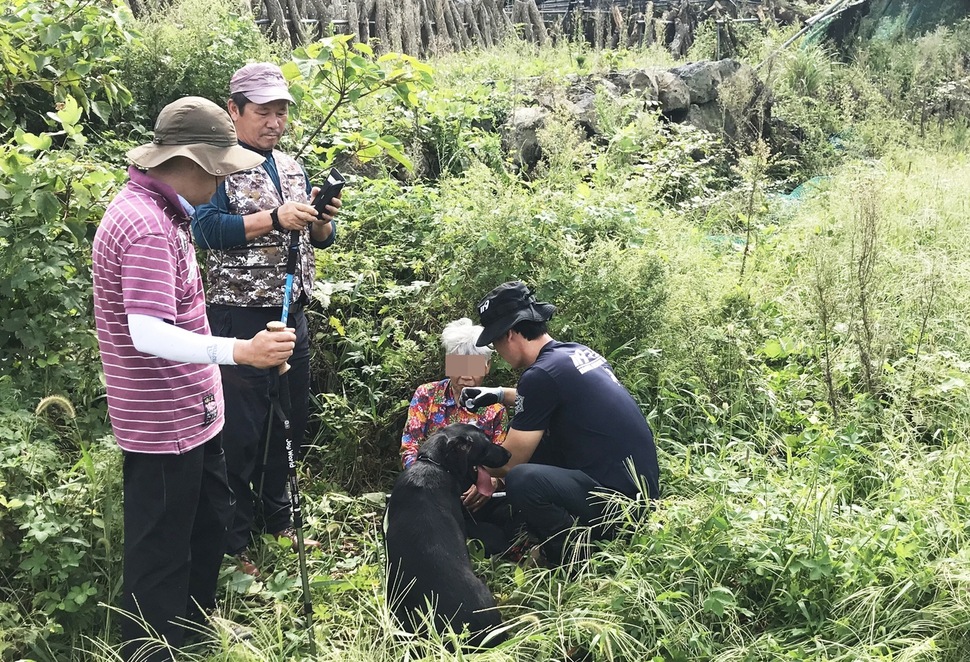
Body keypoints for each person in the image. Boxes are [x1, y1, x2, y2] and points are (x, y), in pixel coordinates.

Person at [91, 96, 297, 661]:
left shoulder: (163, 212)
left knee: (206, 526)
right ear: (198, 163)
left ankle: (196, 634)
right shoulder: (146, 226)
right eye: (224, 169)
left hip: (193, 415)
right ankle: (152, 651)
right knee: (162, 552)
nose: (226, 181)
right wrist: (242, 351)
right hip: (162, 424)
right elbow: (148, 334)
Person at [191, 62, 340, 574]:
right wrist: (273, 219)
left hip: (290, 312)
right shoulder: (214, 167)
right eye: (263, 112)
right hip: (238, 316)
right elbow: (204, 231)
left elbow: (320, 240)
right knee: (239, 428)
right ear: (234, 111)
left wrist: (320, 223)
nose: (274, 122)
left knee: (288, 420)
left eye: (281, 112)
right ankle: (230, 543)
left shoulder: (292, 166)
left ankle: (279, 518)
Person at [461, 281, 661, 567]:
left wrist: (472, 466)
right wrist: (499, 394)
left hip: (620, 508)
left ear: (510, 334)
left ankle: (572, 556)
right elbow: (550, 399)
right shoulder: (572, 353)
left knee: (522, 479)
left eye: (495, 342)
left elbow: (508, 462)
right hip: (641, 493)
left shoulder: (539, 375)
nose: (498, 351)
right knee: (537, 438)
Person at [400, 318, 513, 555]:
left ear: (486, 367)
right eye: (458, 368)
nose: (465, 378)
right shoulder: (427, 396)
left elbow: (502, 459)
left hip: (474, 498)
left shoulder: (495, 409)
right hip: (431, 493)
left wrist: (493, 483)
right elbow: (410, 447)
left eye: (472, 368)